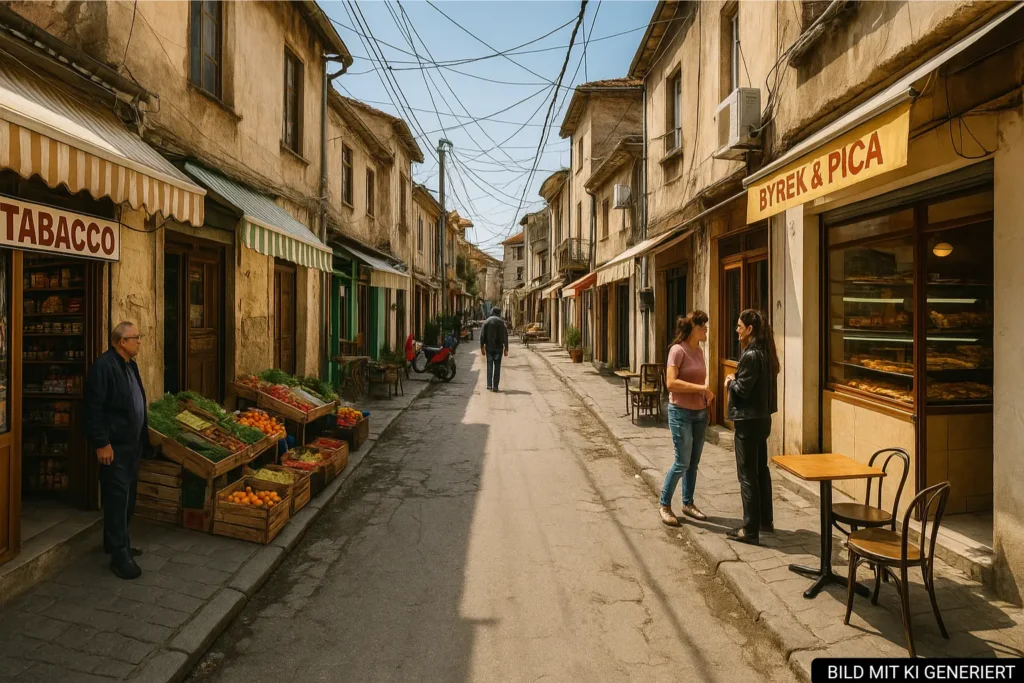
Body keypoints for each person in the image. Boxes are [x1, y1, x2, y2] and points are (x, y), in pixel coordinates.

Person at [84, 321, 151, 579]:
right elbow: (94, 408)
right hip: (114, 446)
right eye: (136, 337)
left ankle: (118, 542)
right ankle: (119, 555)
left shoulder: (129, 364)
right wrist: (102, 442)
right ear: (121, 341)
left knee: (128, 498)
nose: (140, 341)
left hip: (131, 444)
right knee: (116, 498)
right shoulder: (104, 366)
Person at [725, 309, 780, 546]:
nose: (736, 331)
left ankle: (749, 528)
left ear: (749, 329)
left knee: (747, 474)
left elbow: (743, 389)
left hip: (748, 421)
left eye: (739, 326)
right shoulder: (767, 354)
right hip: (762, 419)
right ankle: (765, 520)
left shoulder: (751, 355)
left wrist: (730, 382)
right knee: (760, 471)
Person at [659, 311, 714, 527]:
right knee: (681, 462)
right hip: (680, 412)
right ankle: (664, 504)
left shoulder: (699, 351)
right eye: (703, 326)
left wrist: (704, 397)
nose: (706, 330)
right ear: (694, 328)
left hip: (700, 413)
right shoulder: (677, 350)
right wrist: (701, 388)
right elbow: (671, 383)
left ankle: (688, 503)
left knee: (693, 463)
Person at [480, 307, 509, 392]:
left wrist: (482, 346)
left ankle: (489, 385)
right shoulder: (502, 322)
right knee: (497, 367)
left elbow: (482, 335)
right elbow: (505, 336)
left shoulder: (487, 321)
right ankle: (495, 386)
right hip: (499, 348)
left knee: (489, 366)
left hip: (489, 348)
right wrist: (506, 348)